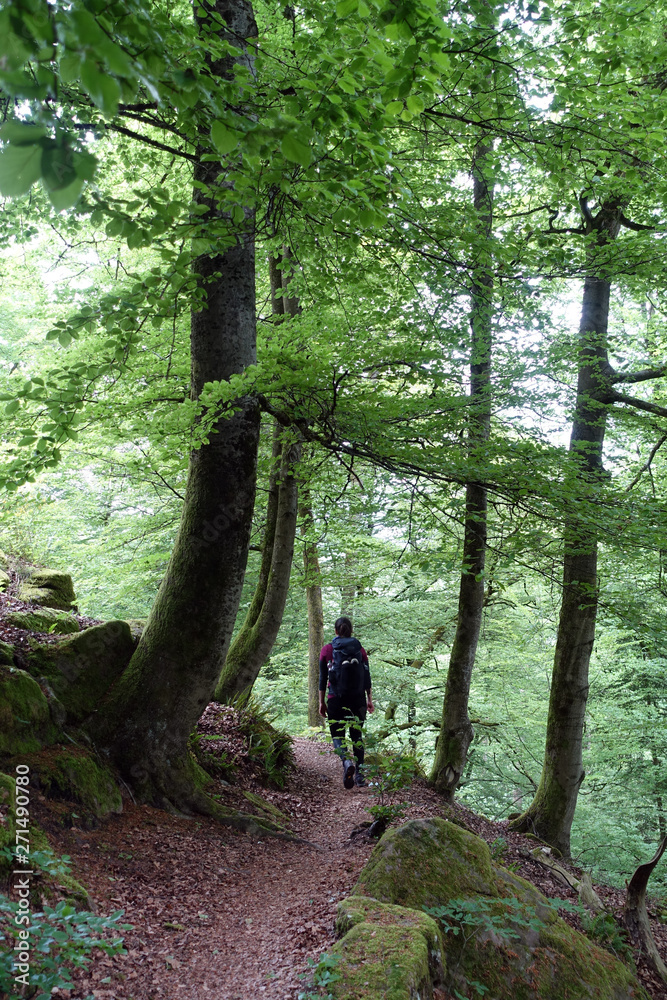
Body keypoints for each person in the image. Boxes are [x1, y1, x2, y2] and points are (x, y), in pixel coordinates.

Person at [319, 616, 374, 789]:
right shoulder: (361, 650)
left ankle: (346, 761)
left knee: (337, 735)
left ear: (336, 631)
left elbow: (323, 678)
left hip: (336, 699)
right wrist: (369, 700)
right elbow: (367, 677)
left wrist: (322, 702)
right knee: (357, 736)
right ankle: (360, 776)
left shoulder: (327, 650)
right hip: (358, 700)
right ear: (351, 631)